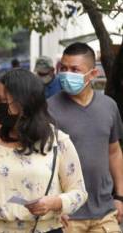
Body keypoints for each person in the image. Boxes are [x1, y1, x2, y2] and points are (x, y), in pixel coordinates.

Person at [0, 68, 88, 233]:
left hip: (45, 229)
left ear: (25, 102)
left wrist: (55, 203)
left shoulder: (58, 142)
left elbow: (79, 192)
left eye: (4, 100)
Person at [48, 42, 123, 232]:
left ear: (92, 74)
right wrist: (54, 205)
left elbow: (114, 152)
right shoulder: (48, 108)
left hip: (105, 213)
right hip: (66, 215)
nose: (66, 74)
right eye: (63, 68)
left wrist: (120, 197)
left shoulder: (109, 106)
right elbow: (41, 161)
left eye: (74, 69)